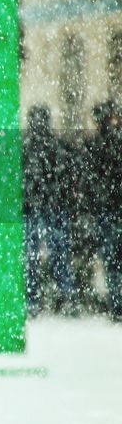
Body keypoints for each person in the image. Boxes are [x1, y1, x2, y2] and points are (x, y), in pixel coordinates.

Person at [22, 105, 74, 314]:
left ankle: (32, 300)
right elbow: (66, 177)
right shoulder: (57, 146)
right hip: (53, 208)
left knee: (31, 258)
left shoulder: (26, 147)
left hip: (34, 209)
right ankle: (65, 295)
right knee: (58, 255)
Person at [86, 100, 122, 321]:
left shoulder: (95, 144)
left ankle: (117, 303)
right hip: (111, 208)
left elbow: (89, 180)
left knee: (111, 259)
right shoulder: (115, 142)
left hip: (105, 210)